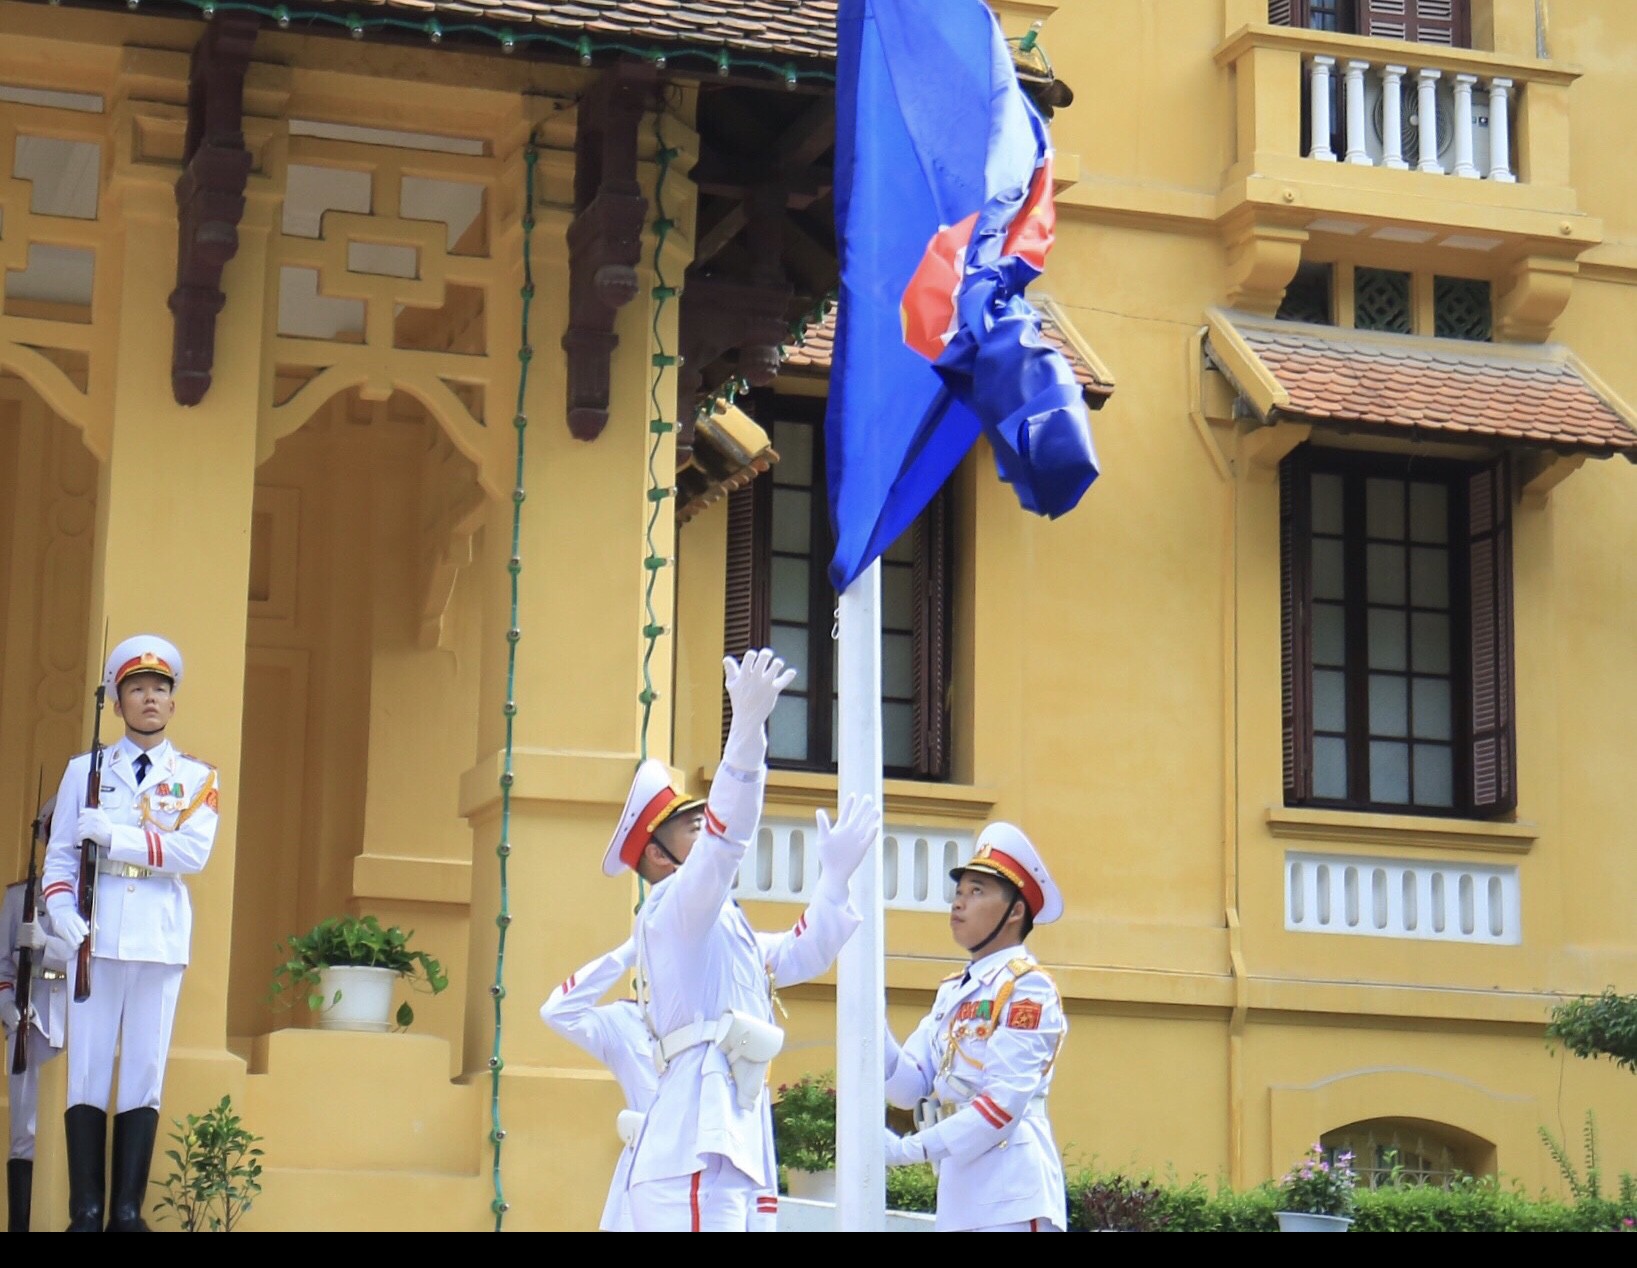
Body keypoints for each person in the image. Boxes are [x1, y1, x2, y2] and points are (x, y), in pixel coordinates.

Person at [611, 649, 880, 1232]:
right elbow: (726, 840)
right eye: (691, 827)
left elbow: (799, 954)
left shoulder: (715, 925)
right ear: (658, 854)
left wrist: (832, 883)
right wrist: (748, 735)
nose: (705, 832)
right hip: (694, 1143)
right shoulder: (673, 909)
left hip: (725, 1134)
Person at [41, 634, 220, 1232]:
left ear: (173, 704)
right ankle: (86, 1210)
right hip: (95, 932)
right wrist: (61, 911)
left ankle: (126, 1212)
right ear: (117, 704)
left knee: (145, 1069)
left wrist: (115, 836)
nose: (150, 698)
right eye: (137, 689)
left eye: (160, 689)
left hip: (159, 937)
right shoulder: (83, 772)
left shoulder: (195, 778)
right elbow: (60, 857)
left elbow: (192, 852)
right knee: (87, 1068)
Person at [880, 823, 1068, 1233]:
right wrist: (871, 1022)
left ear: (1015, 911)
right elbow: (905, 1087)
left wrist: (907, 1150)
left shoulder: (1026, 987)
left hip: (1012, 1193)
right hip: (961, 1193)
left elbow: (1002, 1104)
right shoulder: (953, 993)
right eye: (959, 892)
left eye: (976, 892)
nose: (958, 904)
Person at [539, 935, 781, 1231]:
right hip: (652, 1176)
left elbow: (754, 1127)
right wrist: (626, 954)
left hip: (715, 1180)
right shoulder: (628, 1021)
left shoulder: (730, 1030)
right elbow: (558, 1011)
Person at [2, 801, 73, 1234]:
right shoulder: (18, 897)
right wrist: (9, 1009)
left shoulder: (88, 902)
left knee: (73, 1131)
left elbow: (96, 962)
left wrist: (48, 943)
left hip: (76, 1020)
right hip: (30, 1022)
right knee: (24, 1130)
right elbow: (3, 967)